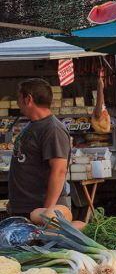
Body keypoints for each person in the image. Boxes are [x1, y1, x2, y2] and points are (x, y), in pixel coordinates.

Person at [8, 78, 72, 219]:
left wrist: (47, 212)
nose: (18, 103)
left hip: (38, 209)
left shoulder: (52, 129)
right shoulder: (32, 125)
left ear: (28, 99)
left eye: (19, 97)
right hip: (24, 207)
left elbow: (59, 170)